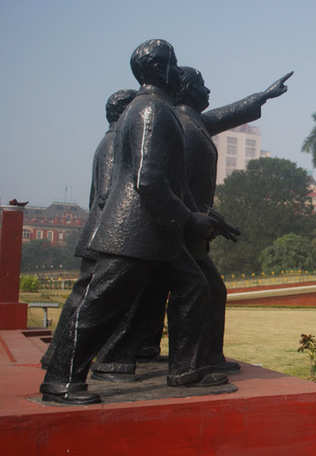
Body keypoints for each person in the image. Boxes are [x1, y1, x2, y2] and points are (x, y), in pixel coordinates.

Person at [40, 39, 226, 405]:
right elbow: (150, 180)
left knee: (193, 286)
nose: (178, 70)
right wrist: (189, 220)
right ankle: (62, 379)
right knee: (98, 303)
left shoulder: (153, 109)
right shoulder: (150, 111)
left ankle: (186, 371)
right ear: (158, 69)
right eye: (173, 63)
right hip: (136, 229)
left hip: (155, 230)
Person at [91, 66, 292, 379]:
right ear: (186, 90)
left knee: (179, 290)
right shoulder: (180, 125)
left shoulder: (191, 122)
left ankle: (192, 359)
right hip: (176, 223)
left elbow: (225, 116)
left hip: (185, 221)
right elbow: (170, 181)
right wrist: (194, 217)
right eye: (202, 85)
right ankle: (182, 364)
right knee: (183, 289)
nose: (209, 91)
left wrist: (262, 96)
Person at [40, 89, 137, 370]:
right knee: (90, 301)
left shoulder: (110, 142)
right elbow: (107, 194)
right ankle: (62, 361)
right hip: (104, 234)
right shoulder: (112, 144)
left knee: (85, 299)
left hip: (99, 233)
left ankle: (57, 356)